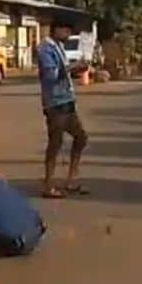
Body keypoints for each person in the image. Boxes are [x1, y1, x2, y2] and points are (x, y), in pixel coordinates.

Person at [37, 19, 89, 199]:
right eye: (66, 31)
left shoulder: (58, 46)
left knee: (81, 138)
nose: (68, 35)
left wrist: (76, 69)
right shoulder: (45, 49)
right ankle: (48, 184)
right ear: (56, 30)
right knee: (55, 143)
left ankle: (71, 178)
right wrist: (72, 67)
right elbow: (51, 75)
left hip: (67, 100)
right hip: (55, 102)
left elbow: (63, 72)